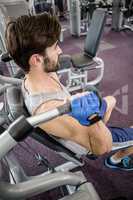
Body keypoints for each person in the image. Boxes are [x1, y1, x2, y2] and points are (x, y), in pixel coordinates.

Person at [5, 13, 133, 171]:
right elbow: (103, 148)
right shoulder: (49, 110)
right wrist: (92, 118)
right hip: (93, 138)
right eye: (54, 47)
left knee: (111, 100)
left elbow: (57, 61)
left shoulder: (36, 74)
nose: (60, 51)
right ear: (36, 59)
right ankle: (116, 160)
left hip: (80, 121)